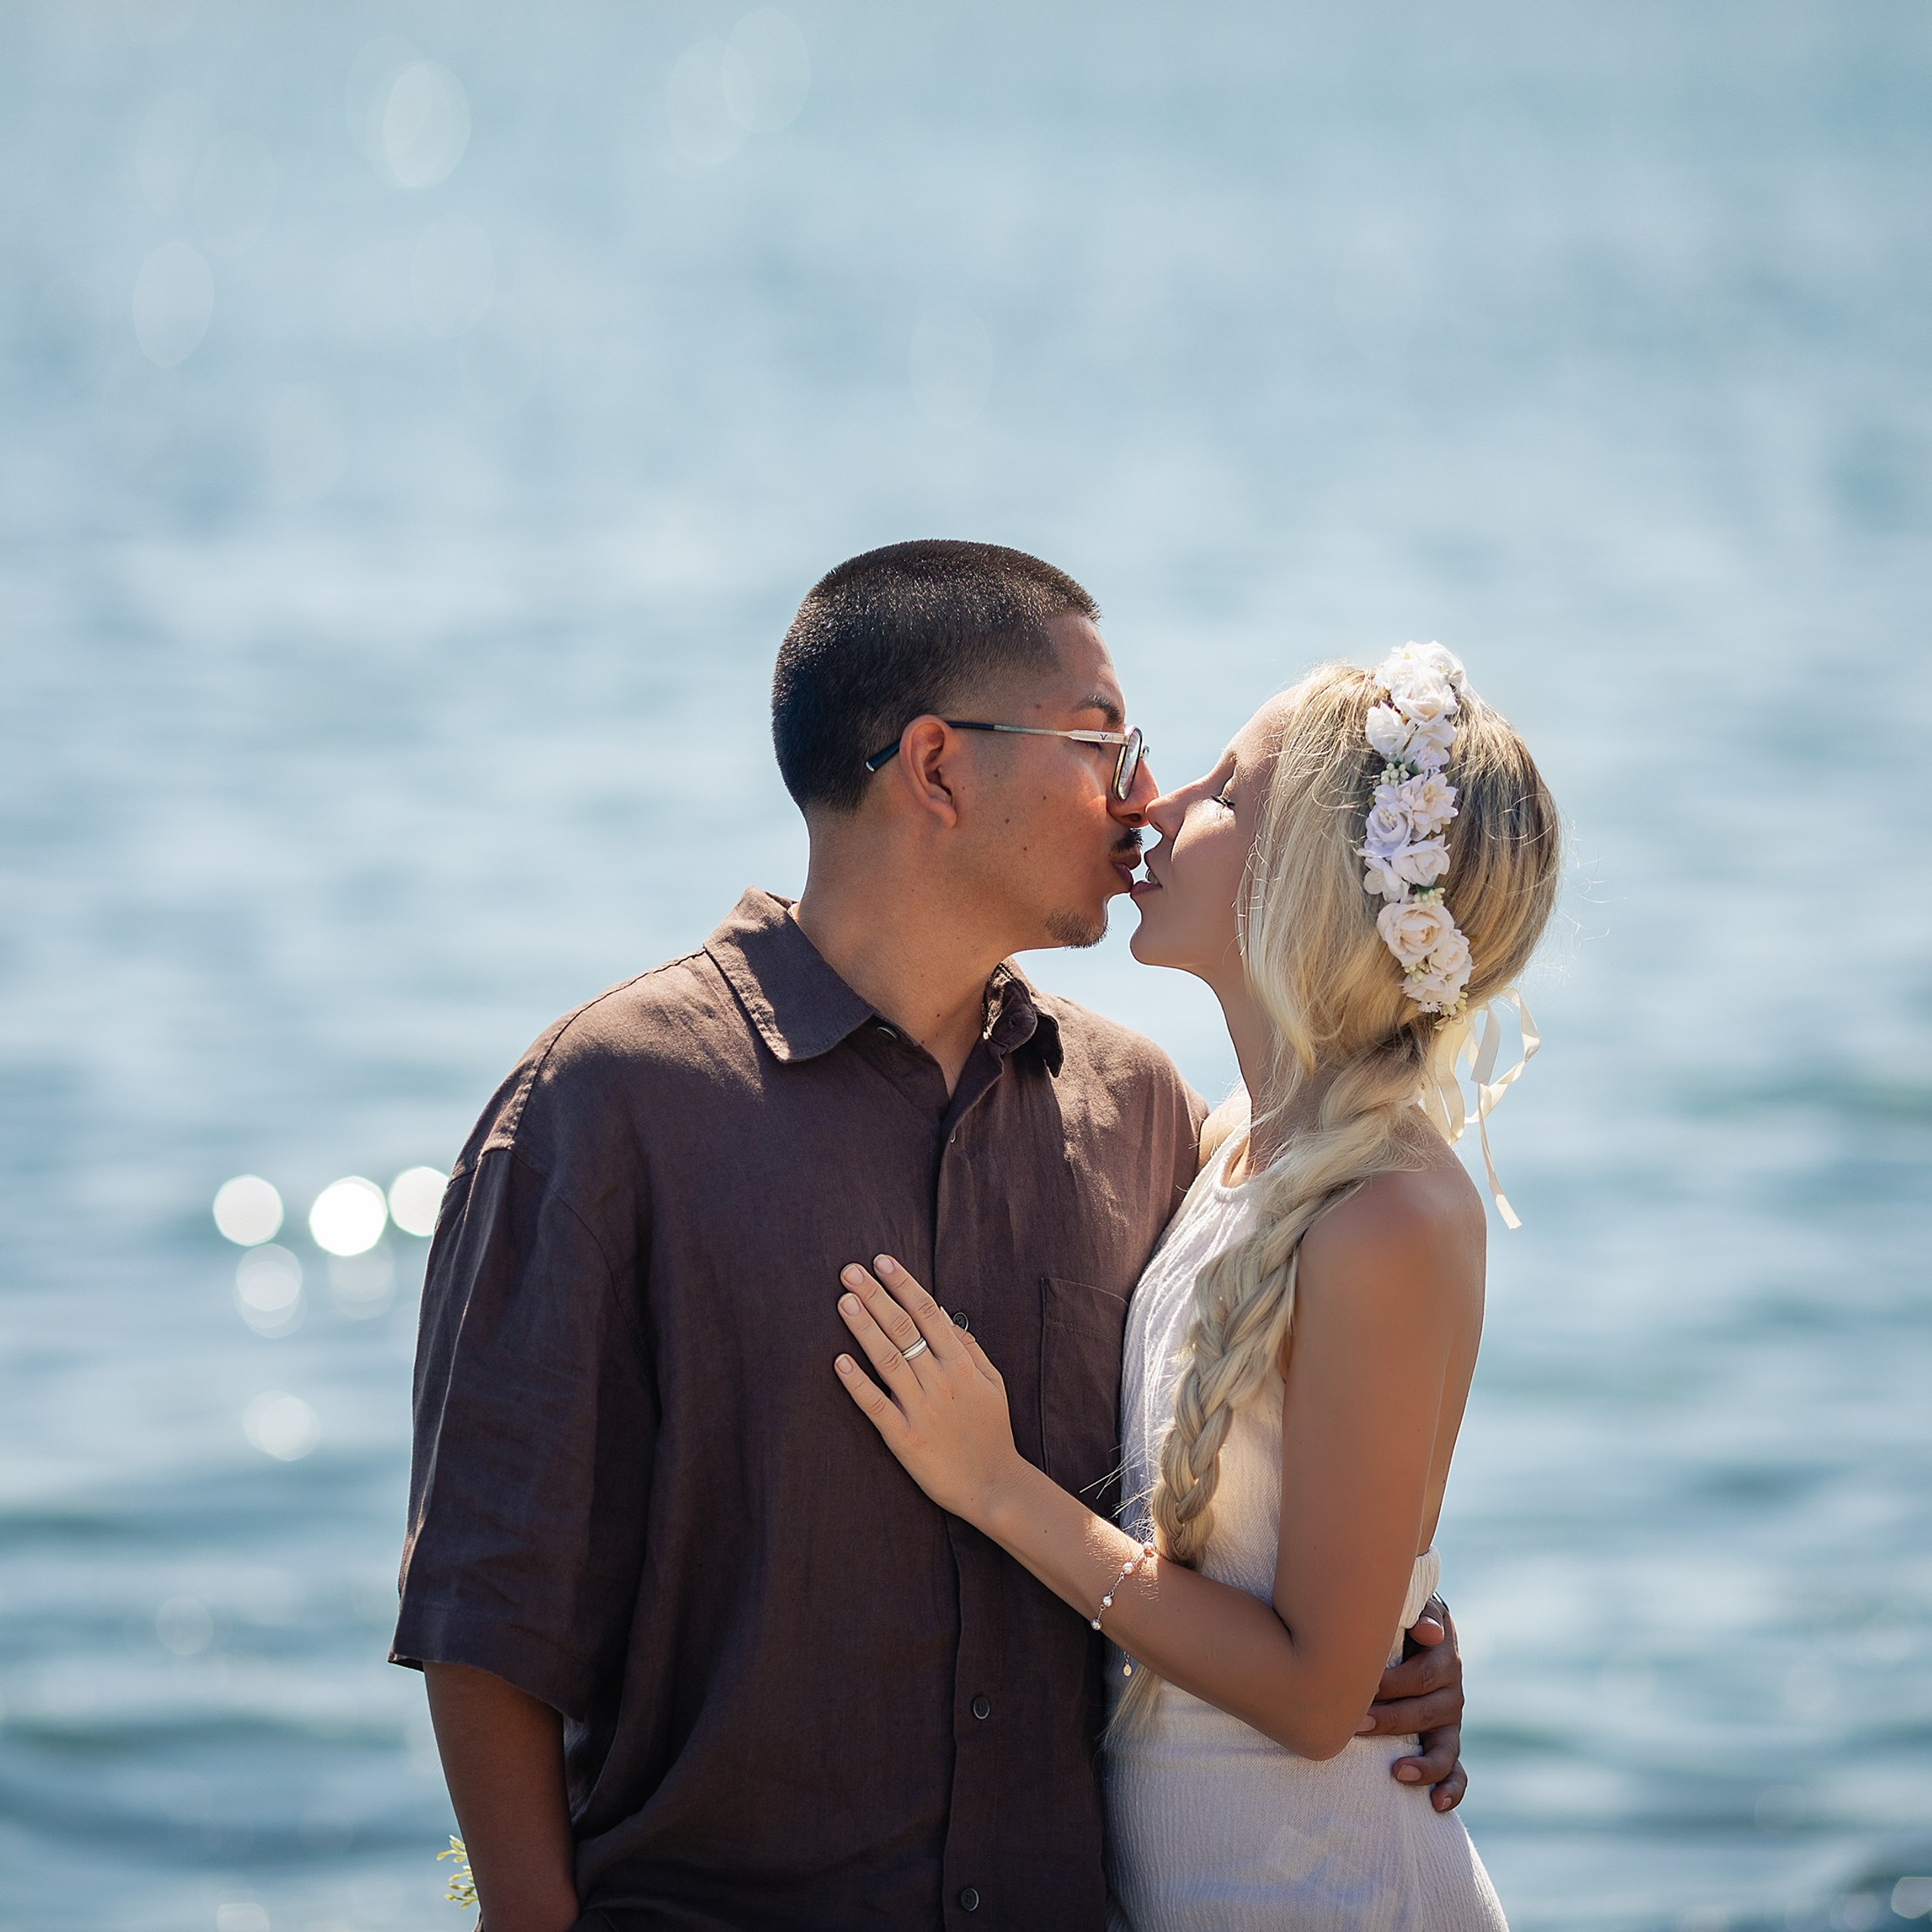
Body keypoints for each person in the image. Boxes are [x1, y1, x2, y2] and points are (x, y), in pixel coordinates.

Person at [392, 542, 1467, 1932]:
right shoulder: (608, 1105)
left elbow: (1272, 1447)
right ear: (939, 770)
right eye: (1101, 741)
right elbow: (490, 1601)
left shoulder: (1144, 1112)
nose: (1140, 795)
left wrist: (1394, 1642)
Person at [827, 645, 1558, 1927]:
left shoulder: (1384, 1211)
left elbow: (1318, 1696)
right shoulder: (1233, 1144)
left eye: (1223, 789)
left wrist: (997, 1488)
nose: (1153, 801)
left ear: (1311, 885)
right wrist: (1414, 1620)